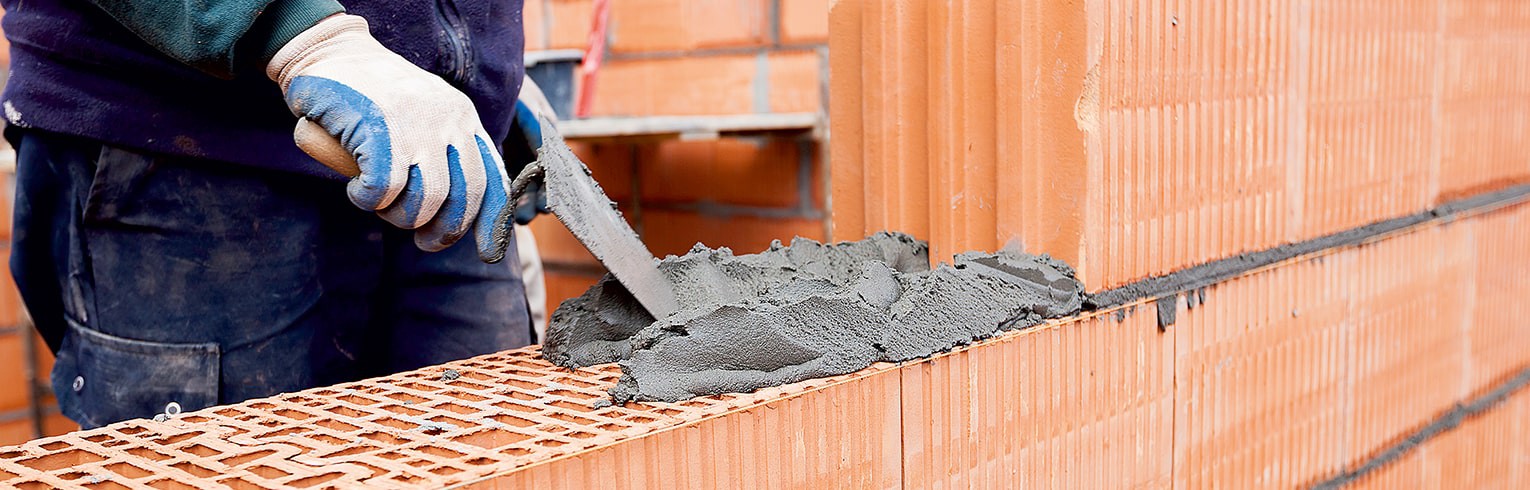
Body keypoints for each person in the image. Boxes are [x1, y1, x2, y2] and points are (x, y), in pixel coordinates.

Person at [0, 0, 535, 428]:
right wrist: (306, 35)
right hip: (188, 151)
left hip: (428, 144)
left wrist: (484, 73)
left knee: (493, 454)